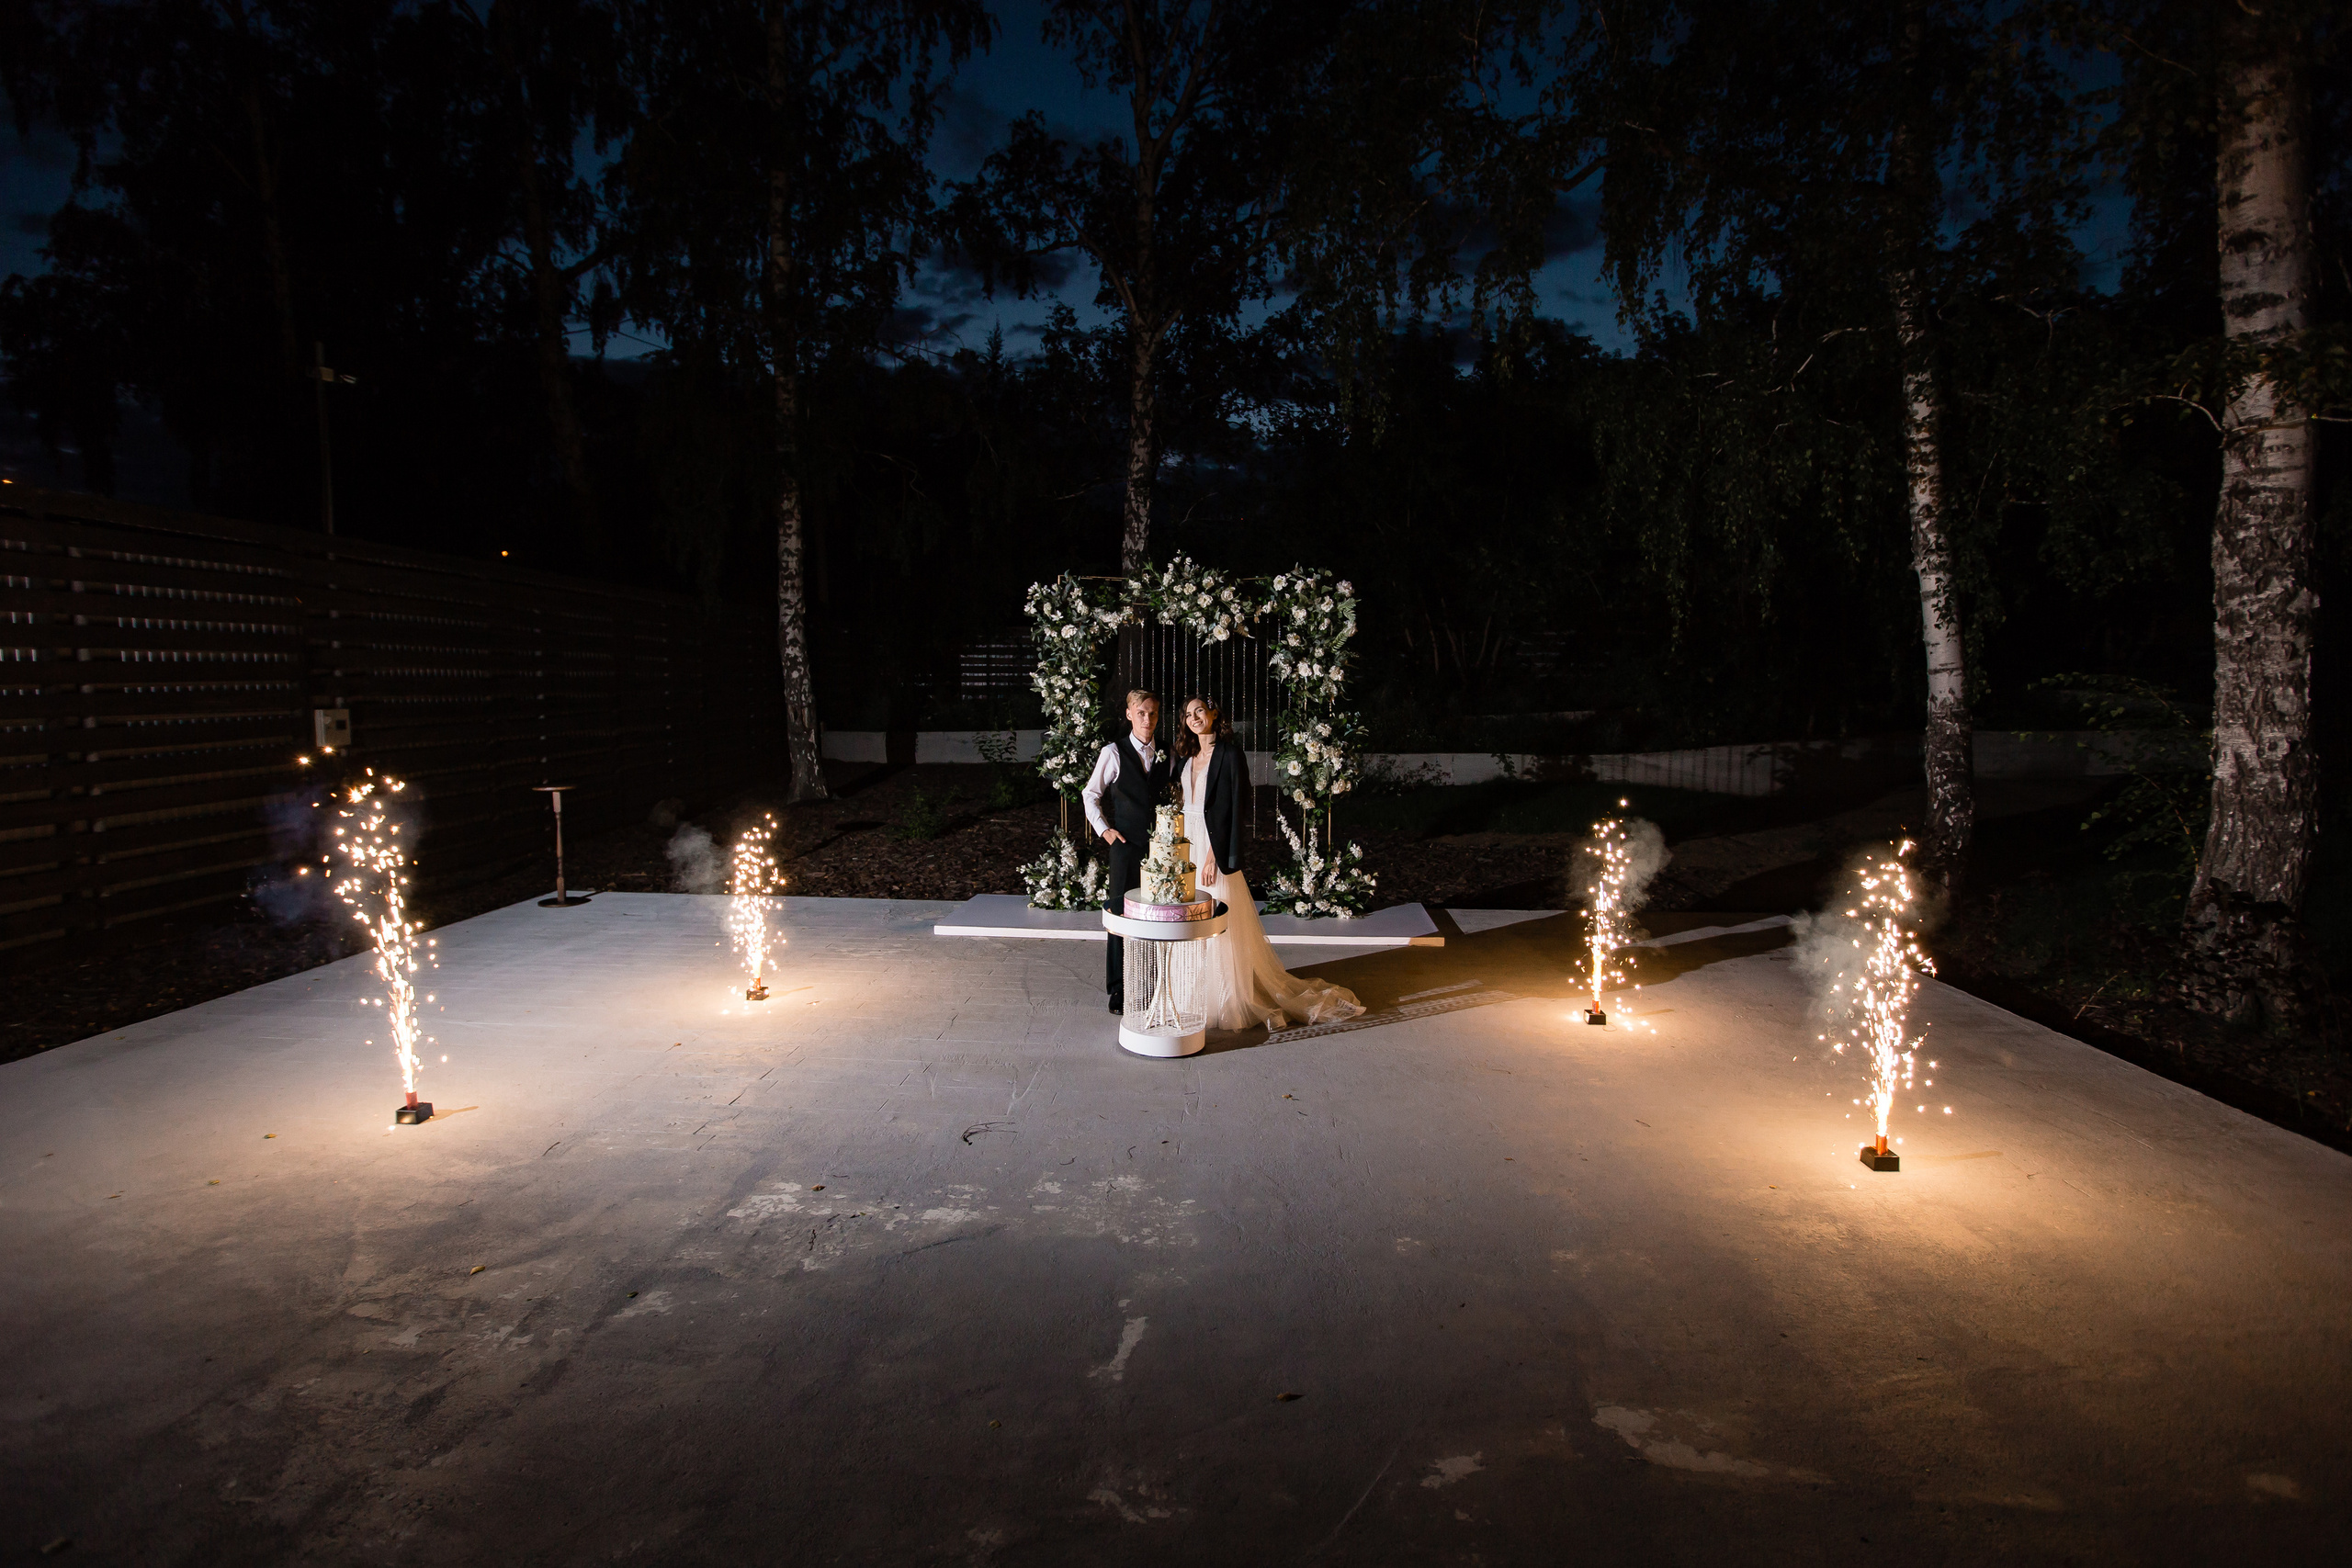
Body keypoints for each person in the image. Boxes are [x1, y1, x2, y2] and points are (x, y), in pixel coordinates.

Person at [1176, 694, 1363, 1031]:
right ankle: (1193, 992)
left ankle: (1227, 997)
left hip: (1211, 847)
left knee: (1218, 919)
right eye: (1188, 714)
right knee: (1192, 918)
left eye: (1199, 711)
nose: (1193, 718)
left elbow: (1233, 808)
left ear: (1214, 713)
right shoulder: (1187, 758)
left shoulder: (1230, 755)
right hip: (1186, 844)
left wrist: (1214, 856)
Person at [1081, 687, 1170, 1012]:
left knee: (1159, 915)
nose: (1148, 719)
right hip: (1124, 846)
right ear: (1130, 714)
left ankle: (1155, 981)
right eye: (1141, 713)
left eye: (1153, 713)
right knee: (1120, 914)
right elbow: (1090, 794)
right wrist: (1105, 831)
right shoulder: (1113, 752)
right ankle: (1118, 988)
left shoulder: (1168, 752)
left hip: (1161, 851)